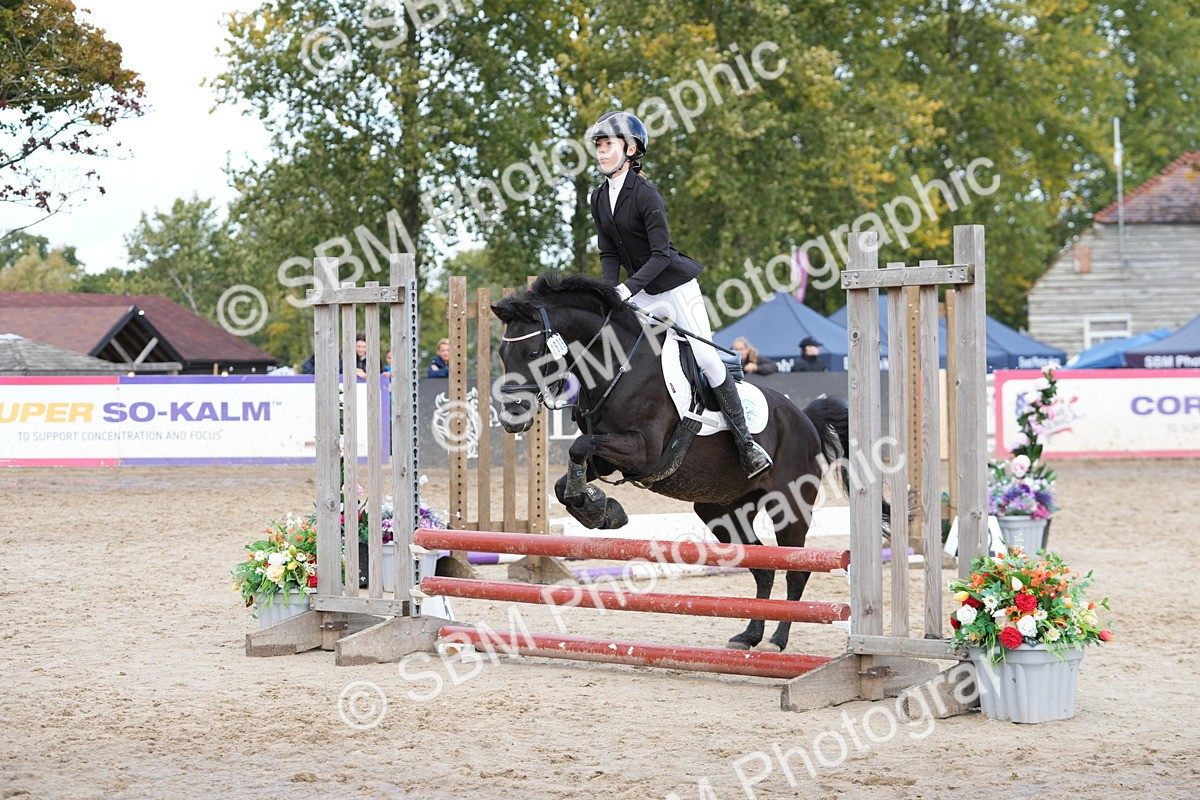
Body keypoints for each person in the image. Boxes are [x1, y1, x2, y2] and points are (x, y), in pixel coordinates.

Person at [587, 110, 771, 479]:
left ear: (631, 148)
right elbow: (609, 253)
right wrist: (610, 293)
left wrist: (626, 288)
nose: (602, 151)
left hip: (674, 286)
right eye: (599, 145)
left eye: (608, 144)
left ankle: (745, 442)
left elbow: (661, 254)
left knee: (705, 355)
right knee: (610, 344)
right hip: (636, 290)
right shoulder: (598, 197)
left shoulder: (646, 194)